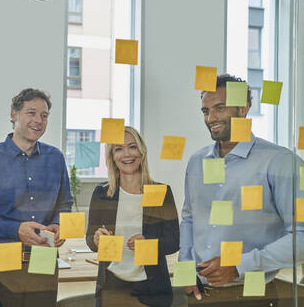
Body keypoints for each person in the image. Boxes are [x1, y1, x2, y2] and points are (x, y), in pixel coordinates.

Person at [180, 74, 304, 305]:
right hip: (200, 295)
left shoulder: (280, 162)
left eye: (220, 108)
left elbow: (301, 236)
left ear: (244, 107)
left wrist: (240, 266)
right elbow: (189, 218)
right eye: (205, 111)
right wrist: (186, 268)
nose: (211, 118)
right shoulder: (197, 162)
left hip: (253, 295)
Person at [0, 88, 73, 307]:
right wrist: (16, 230)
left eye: (44, 116)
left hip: (44, 257)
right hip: (5, 258)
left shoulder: (55, 158)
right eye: (31, 113)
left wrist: (58, 224)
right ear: (13, 115)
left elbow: (65, 203)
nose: (38, 120)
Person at [86, 126, 179, 307]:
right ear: (112, 157)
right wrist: (97, 239)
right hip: (111, 285)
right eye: (118, 149)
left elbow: (173, 241)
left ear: (141, 152)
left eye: (132, 147)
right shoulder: (102, 193)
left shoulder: (161, 192)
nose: (126, 154)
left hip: (152, 288)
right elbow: (90, 240)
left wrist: (148, 243)